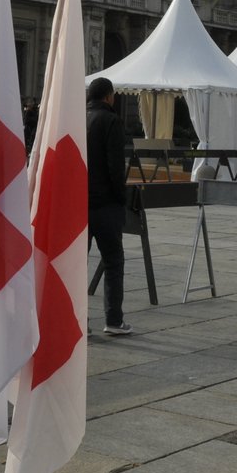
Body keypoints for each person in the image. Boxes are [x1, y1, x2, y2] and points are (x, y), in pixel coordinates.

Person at [87, 77, 131, 336]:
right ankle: (113, 320)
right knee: (113, 260)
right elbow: (116, 167)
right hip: (105, 205)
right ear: (108, 96)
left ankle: (78, 322)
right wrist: (121, 198)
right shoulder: (111, 121)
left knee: (75, 263)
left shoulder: (77, 117)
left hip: (79, 204)